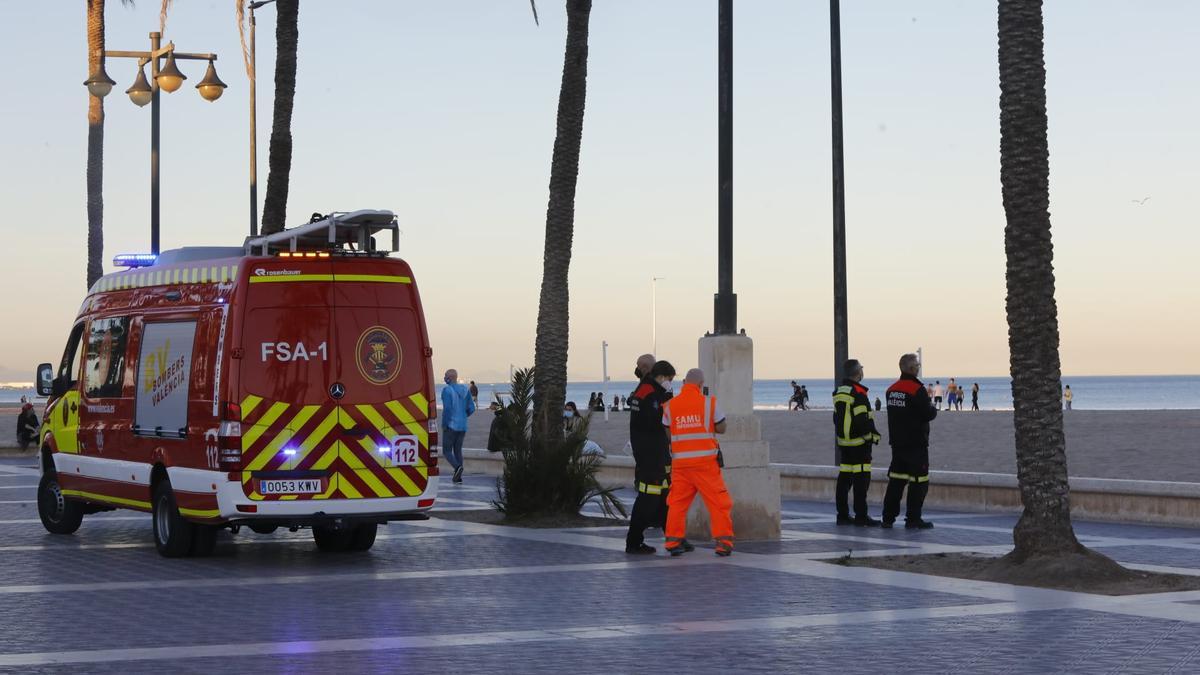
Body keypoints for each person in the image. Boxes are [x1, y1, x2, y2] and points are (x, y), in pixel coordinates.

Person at [663, 368, 733, 557]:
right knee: (718, 503)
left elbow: (668, 432)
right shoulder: (710, 403)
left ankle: (672, 541)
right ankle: (723, 543)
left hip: (680, 466)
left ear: (684, 382)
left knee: (677, 504)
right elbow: (722, 427)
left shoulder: (670, 405)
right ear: (701, 385)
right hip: (705, 465)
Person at [882, 354, 938, 529]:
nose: (919, 366)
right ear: (911, 368)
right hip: (916, 443)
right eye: (917, 364)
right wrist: (933, 409)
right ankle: (913, 518)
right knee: (919, 481)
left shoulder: (891, 390)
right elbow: (927, 413)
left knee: (896, 481)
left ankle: (887, 518)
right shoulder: (916, 389)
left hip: (897, 443)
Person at [625, 355, 674, 554]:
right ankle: (634, 541)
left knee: (664, 496)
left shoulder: (653, 390)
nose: (670, 382)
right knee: (648, 498)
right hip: (650, 455)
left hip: (658, 453)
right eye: (669, 378)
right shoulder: (647, 392)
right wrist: (667, 399)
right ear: (659, 374)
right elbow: (655, 422)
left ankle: (673, 537)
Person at [833, 359, 882, 526]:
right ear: (858, 372)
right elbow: (862, 419)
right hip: (859, 444)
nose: (863, 371)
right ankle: (861, 516)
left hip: (844, 443)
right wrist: (872, 436)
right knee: (861, 481)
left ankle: (842, 515)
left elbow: (837, 417)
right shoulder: (858, 393)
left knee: (844, 479)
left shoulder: (839, 391)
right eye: (862, 368)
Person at [440, 369, 476, 483]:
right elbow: (472, 408)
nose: (444, 377)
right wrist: (464, 416)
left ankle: (457, 467)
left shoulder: (447, 390)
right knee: (457, 450)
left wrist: (444, 424)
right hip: (462, 426)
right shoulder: (465, 390)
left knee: (446, 451)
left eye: (445, 375)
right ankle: (458, 476)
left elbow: (447, 409)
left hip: (451, 425)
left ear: (449, 377)